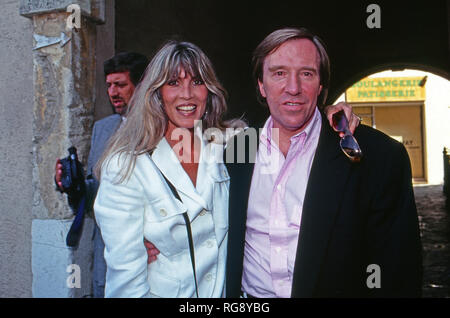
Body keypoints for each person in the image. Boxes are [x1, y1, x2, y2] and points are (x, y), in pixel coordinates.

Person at [93, 40, 358, 298]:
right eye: (173, 83)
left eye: (197, 82)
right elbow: (125, 282)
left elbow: (293, 134)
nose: (187, 94)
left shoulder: (233, 143)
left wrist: (327, 113)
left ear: (209, 90)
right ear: (156, 93)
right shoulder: (126, 166)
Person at [224, 27, 423, 298]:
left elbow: (399, 274)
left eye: (306, 73)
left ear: (320, 86)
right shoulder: (235, 150)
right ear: (261, 84)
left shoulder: (378, 157)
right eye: (279, 73)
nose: (292, 88)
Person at [54, 52, 149, 297]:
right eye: (109, 85)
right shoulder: (102, 128)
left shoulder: (162, 127)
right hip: (106, 255)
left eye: (121, 85)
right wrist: (72, 185)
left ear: (141, 86)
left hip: (148, 254)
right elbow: (92, 198)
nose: (113, 92)